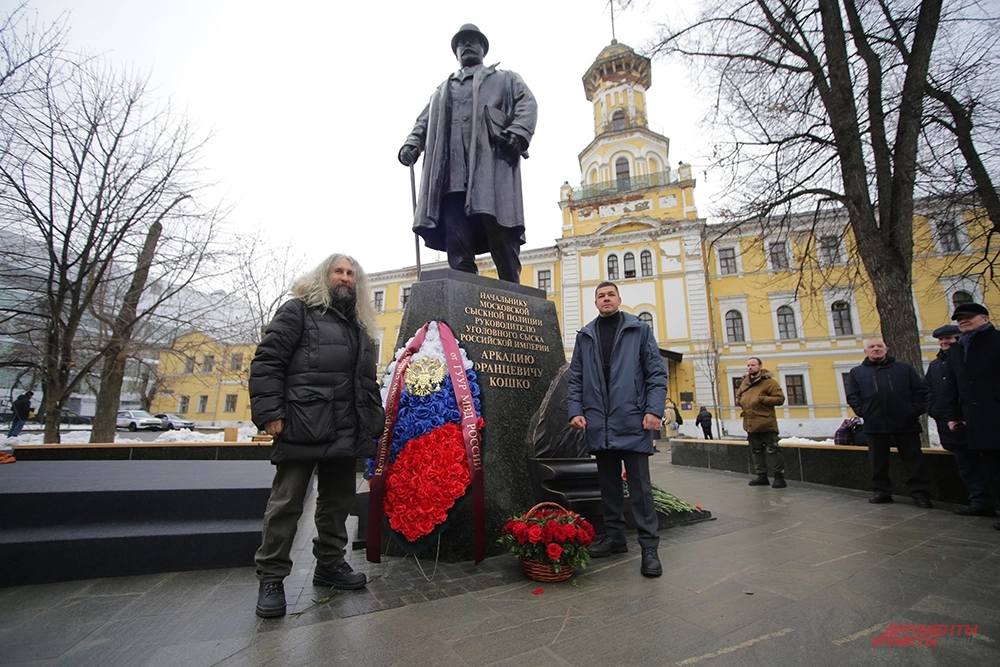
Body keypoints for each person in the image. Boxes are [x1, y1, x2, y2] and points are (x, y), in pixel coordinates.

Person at [249, 254, 385, 618]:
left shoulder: (358, 326)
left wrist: (373, 420)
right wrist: (270, 413)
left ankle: (329, 564)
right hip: (301, 423)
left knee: (337, 502)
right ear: (324, 276)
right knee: (287, 503)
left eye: (351, 273)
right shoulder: (298, 311)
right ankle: (272, 576)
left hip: (345, 427)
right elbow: (268, 361)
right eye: (338, 271)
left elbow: (365, 383)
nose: (345, 278)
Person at [398, 24, 537, 284]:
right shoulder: (442, 90)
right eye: (462, 43)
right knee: (456, 229)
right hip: (450, 170)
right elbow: (423, 123)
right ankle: (463, 283)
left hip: (490, 164)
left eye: (474, 41)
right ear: (456, 52)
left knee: (498, 225)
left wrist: (518, 132)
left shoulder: (504, 78)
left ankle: (511, 285)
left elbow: (526, 103)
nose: (468, 45)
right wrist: (412, 144)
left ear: (483, 49)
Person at [568, 282, 667, 577]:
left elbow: (656, 373)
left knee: (640, 490)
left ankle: (649, 548)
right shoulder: (586, 335)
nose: (606, 299)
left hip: (634, 421)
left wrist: (653, 410)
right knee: (609, 487)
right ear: (595, 302)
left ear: (619, 299)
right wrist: (576, 411)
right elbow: (576, 378)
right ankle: (615, 538)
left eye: (611, 294)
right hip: (600, 424)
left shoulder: (639, 330)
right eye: (601, 296)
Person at [846, 338, 932, 508]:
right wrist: (865, 412)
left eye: (879, 346)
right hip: (875, 423)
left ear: (887, 349)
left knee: (913, 460)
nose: (876, 349)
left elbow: (920, 391)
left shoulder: (904, 369)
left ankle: (920, 493)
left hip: (906, 423)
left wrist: (913, 411)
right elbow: (853, 396)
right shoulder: (857, 372)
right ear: (866, 351)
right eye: (872, 347)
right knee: (878, 461)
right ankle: (881, 491)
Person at [925, 324, 994, 517]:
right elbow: (927, 389)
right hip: (949, 424)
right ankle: (979, 501)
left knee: (990, 465)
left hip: (976, 422)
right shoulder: (936, 365)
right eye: (941, 339)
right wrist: (934, 409)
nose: (945, 342)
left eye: (950, 338)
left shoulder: (968, 360)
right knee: (966, 466)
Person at [945, 303, 1000, 531]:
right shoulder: (958, 349)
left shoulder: (996, 340)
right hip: (975, 418)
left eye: (969, 316)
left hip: (994, 412)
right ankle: (987, 504)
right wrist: (954, 415)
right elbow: (955, 386)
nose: (963, 320)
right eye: (959, 318)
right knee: (991, 466)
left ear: (985, 319)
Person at [736, 357, 787, 488]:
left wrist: (763, 399)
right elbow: (739, 396)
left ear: (760, 366)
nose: (750, 367)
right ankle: (761, 476)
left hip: (766, 423)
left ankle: (779, 477)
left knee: (773, 450)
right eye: (748, 365)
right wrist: (740, 401)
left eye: (753, 365)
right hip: (750, 423)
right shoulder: (745, 383)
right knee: (756, 450)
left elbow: (780, 399)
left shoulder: (770, 383)